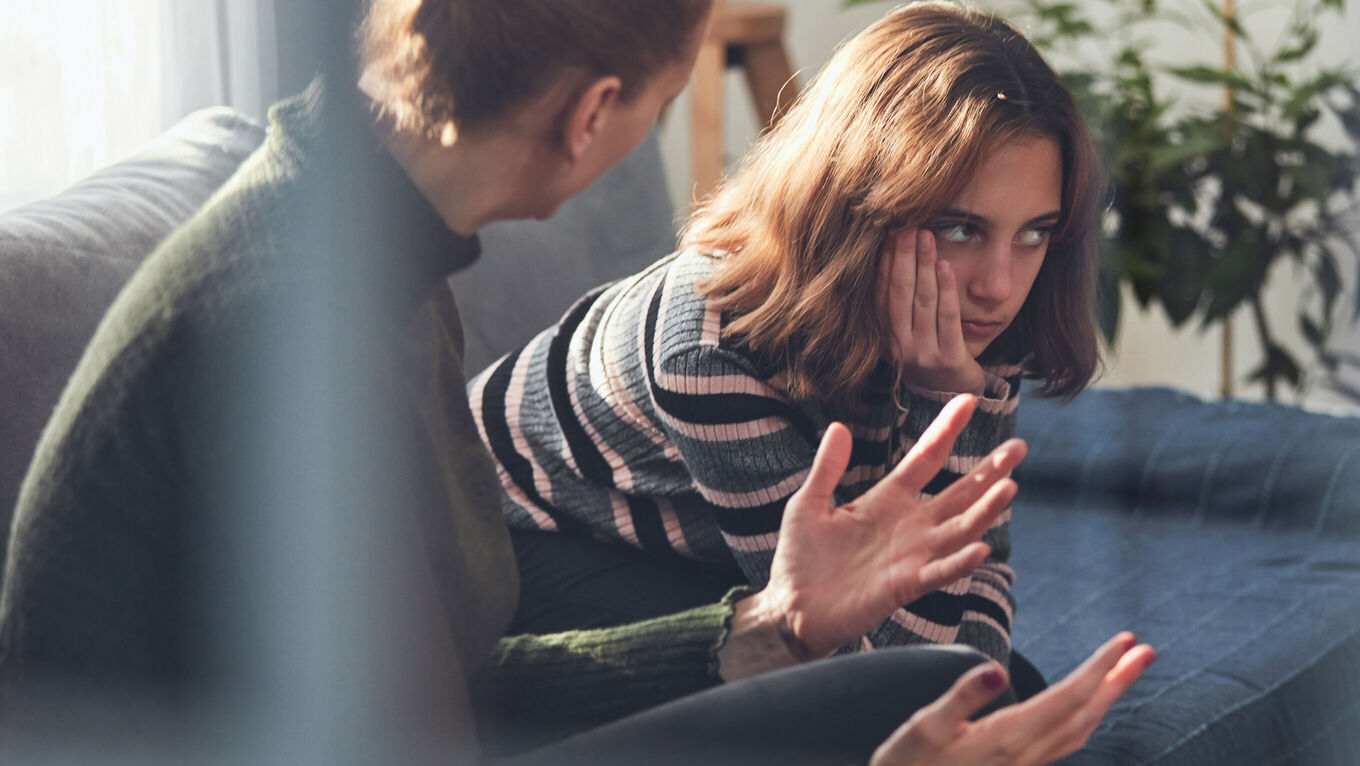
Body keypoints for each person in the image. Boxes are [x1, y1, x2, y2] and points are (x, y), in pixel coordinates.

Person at [0, 0, 1150, 763]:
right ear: (595, 112)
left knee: (985, 699)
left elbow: (467, 678)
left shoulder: (365, 250)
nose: (999, 275)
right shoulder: (295, 325)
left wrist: (769, 626)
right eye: (663, 100)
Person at [469, 0, 1101, 678]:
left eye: (1034, 232)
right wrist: (941, 403)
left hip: (718, 551)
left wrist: (974, 689)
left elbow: (977, 573)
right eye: (960, 228)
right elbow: (865, 661)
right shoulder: (710, 347)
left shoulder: (975, 315)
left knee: (1004, 688)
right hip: (520, 541)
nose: (1000, 285)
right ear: (861, 204)